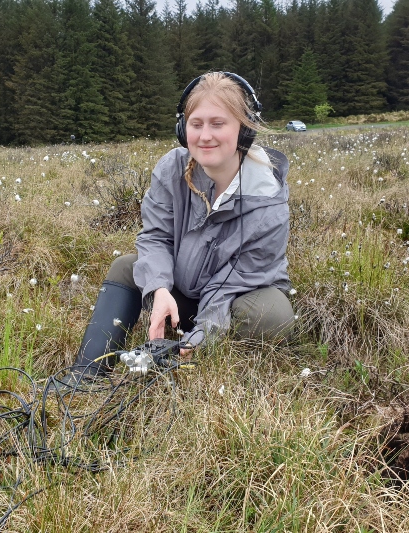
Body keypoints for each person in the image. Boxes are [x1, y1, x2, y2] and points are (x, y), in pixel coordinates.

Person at [65, 71, 295, 379]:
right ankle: (85, 375)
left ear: (244, 130)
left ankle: (222, 361)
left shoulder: (268, 197)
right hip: (184, 290)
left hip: (237, 296)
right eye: (196, 124)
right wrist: (159, 289)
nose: (205, 136)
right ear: (181, 128)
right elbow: (156, 238)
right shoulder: (172, 167)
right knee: (125, 266)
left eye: (218, 124)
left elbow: (237, 280)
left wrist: (205, 332)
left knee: (272, 316)